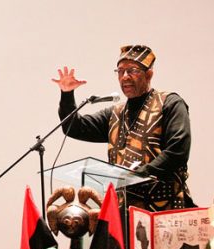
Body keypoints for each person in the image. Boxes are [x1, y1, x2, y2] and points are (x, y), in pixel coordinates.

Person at [53, 45, 195, 211]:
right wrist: (67, 94)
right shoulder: (115, 113)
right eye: (120, 71)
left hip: (164, 207)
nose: (125, 77)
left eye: (132, 70)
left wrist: (139, 175)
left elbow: (178, 150)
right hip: (124, 210)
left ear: (149, 74)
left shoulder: (170, 103)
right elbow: (75, 127)